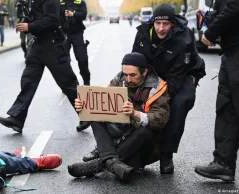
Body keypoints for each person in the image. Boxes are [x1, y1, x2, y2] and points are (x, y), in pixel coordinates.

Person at [68, 52, 170, 181]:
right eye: (125, 74)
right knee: (95, 115)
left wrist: (135, 114)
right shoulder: (120, 79)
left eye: (133, 75)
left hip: (143, 147)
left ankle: (98, 165)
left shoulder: (158, 87)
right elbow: (99, 102)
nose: (128, 79)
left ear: (144, 72)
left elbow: (161, 120)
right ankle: (112, 162)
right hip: (120, 137)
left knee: (145, 130)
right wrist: (84, 105)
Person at [131, 3, 206, 174]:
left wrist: (155, 99)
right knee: (136, 98)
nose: (161, 28)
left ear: (172, 24)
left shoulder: (183, 38)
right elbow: (135, 62)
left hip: (183, 74)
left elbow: (174, 80)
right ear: (153, 23)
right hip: (155, 72)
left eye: (166, 24)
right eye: (158, 24)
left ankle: (167, 154)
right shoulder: (142, 34)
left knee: (178, 103)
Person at [0, 0, 90, 133]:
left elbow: (52, 19)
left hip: (54, 45)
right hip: (38, 45)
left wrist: (30, 27)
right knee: (28, 81)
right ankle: (17, 118)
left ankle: (86, 116)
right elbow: (35, 16)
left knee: (68, 83)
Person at [195, 0, 239, 182]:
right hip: (231, 52)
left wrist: (211, 31)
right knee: (226, 109)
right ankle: (223, 164)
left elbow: (237, 6)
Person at [61, 0, 91, 86]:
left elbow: (83, 15)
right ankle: (68, 83)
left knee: (82, 59)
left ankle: (86, 82)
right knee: (63, 61)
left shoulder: (80, 2)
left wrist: (73, 14)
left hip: (77, 34)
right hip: (63, 35)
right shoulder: (59, 2)